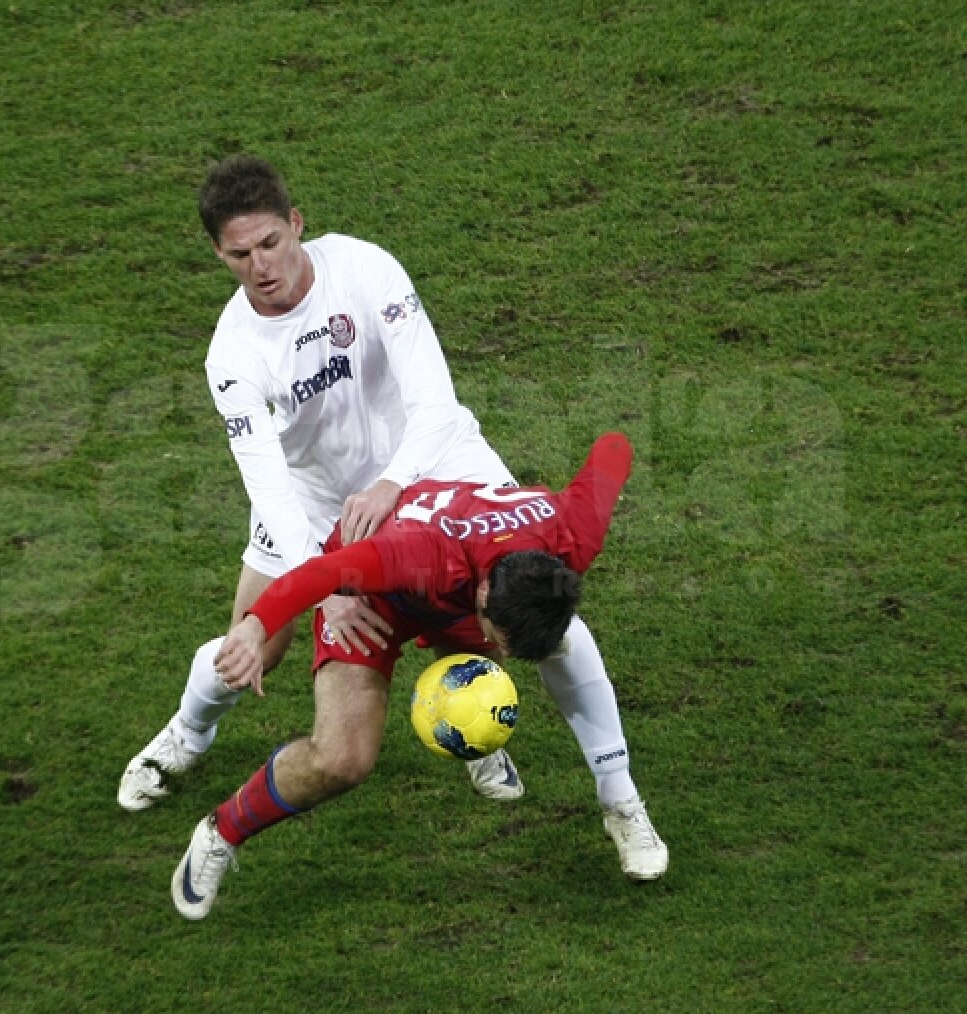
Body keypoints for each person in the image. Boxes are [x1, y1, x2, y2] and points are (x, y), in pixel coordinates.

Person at [118, 154, 526, 809]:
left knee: (484, 598)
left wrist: (393, 481)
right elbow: (269, 485)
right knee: (253, 642)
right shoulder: (233, 355)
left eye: (271, 243)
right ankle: (186, 736)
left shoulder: (364, 268)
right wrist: (324, 585)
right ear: (218, 254)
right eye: (239, 254)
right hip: (309, 504)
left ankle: (476, 730)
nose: (261, 267)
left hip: (414, 471)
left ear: (296, 223)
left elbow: (433, 396)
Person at [171, 433, 669, 921]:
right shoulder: (419, 555)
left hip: (457, 583)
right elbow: (320, 575)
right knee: (343, 760)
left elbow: (615, 445)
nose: (501, 652)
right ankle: (221, 831)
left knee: (570, 640)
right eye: (498, 639)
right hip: (373, 598)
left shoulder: (573, 534)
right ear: (484, 597)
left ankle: (620, 800)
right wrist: (256, 628)